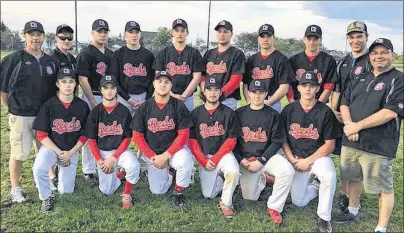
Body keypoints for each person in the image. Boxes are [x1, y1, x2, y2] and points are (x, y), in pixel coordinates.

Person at [333, 38, 403, 233]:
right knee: (353, 178)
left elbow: (390, 112)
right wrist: (348, 125)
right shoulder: (360, 76)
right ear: (369, 56)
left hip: (378, 144)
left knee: (383, 188)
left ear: (392, 54)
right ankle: (353, 209)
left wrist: (357, 126)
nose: (378, 56)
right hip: (352, 140)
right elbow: (344, 102)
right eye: (374, 53)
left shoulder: (398, 79)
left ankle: (381, 228)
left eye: (383, 52)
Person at [0, 21, 59, 203]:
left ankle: (48, 179)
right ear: (24, 36)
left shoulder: (51, 61)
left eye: (39, 34)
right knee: (19, 152)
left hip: (44, 115)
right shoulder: (13, 59)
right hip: (21, 114)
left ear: (43, 36)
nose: (35, 38)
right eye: (31, 34)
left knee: (45, 150)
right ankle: (15, 188)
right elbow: (3, 90)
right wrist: (12, 109)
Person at [281, 71, 340, 232]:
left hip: (318, 157)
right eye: (304, 85)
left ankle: (324, 218)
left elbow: (330, 145)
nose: (308, 89)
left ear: (317, 89)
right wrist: (292, 160)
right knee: (298, 201)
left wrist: (308, 161)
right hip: (295, 158)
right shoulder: (288, 110)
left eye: (312, 86)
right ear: (298, 88)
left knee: (329, 176)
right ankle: (315, 186)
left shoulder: (325, 111)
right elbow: (283, 139)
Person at [235, 79, 294, 225]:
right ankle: (262, 179)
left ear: (266, 94)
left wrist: (261, 161)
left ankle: (274, 207)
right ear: (248, 93)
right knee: (250, 197)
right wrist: (242, 160)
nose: (257, 96)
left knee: (287, 171)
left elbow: (276, 142)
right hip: (246, 160)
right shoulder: (238, 113)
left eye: (261, 92)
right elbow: (233, 142)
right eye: (254, 92)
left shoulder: (273, 115)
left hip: (266, 158)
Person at [131, 71, 194, 207]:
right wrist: (153, 157)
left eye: (166, 82)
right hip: (153, 153)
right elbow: (137, 136)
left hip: (174, 151)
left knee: (185, 162)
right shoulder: (145, 107)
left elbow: (184, 134)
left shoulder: (178, 106)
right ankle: (171, 173)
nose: (163, 85)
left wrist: (166, 155)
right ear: (153, 84)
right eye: (159, 81)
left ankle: (179, 192)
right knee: (157, 191)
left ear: (171, 85)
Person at [32, 68, 89, 212]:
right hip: (52, 148)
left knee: (66, 191)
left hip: (72, 150)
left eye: (71, 82)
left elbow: (86, 134)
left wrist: (70, 153)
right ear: (57, 84)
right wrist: (60, 153)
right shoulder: (49, 105)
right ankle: (46, 197)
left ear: (76, 84)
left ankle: (59, 169)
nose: (68, 85)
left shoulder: (82, 106)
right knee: (38, 169)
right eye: (64, 82)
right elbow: (41, 135)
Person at [330, 21, 371, 213]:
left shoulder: (372, 60)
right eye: (352, 37)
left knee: (358, 159)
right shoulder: (344, 61)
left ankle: (355, 199)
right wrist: (333, 110)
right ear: (348, 39)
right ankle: (345, 194)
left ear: (366, 37)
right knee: (344, 157)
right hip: (341, 117)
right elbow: (337, 89)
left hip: (360, 118)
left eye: (359, 36)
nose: (355, 40)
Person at [188, 76, 241, 218]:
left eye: (216, 89)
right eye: (209, 89)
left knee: (233, 171)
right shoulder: (195, 114)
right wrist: (203, 161)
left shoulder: (229, 113)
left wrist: (216, 159)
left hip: (223, 154)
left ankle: (226, 202)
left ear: (220, 92)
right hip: (204, 156)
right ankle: (222, 180)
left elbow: (231, 140)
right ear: (203, 92)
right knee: (208, 194)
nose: (212, 93)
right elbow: (192, 141)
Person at [85, 75, 140, 208]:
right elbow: (91, 140)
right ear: (101, 90)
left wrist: (114, 158)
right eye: (106, 87)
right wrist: (99, 160)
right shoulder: (95, 112)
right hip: (102, 153)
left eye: (112, 87)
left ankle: (126, 194)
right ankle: (120, 175)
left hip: (120, 151)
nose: (109, 91)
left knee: (134, 165)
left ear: (116, 90)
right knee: (107, 191)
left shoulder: (124, 111)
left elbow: (127, 138)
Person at [76, 19, 116, 185]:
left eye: (105, 31)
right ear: (92, 33)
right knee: (90, 132)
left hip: (109, 96)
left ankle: (104, 164)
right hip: (92, 95)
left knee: (106, 131)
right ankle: (88, 169)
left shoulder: (110, 54)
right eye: (99, 31)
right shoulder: (86, 53)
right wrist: (92, 102)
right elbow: (82, 79)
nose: (102, 34)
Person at [48, 24, 78, 190]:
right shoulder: (51, 58)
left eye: (69, 38)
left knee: (67, 132)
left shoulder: (72, 59)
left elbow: (76, 82)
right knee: (54, 134)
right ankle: (51, 173)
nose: (66, 40)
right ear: (56, 38)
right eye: (62, 37)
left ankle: (61, 165)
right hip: (55, 102)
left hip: (70, 102)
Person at [153, 18, 204, 112]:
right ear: (172, 32)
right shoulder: (163, 53)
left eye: (182, 30)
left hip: (187, 99)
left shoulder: (194, 53)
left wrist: (184, 96)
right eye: (176, 30)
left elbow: (197, 77)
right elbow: (158, 78)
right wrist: (171, 94)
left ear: (187, 33)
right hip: (167, 97)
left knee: (187, 125)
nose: (179, 33)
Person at [243, 24, 295, 113]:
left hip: (273, 102)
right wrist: (249, 102)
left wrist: (269, 103)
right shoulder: (251, 59)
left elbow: (284, 87)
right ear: (258, 38)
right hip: (253, 100)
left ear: (273, 38)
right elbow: (245, 84)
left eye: (268, 36)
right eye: (262, 36)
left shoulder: (281, 59)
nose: (265, 39)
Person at [200, 20, 246, 110]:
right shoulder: (208, 54)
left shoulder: (237, 54)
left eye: (225, 32)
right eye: (219, 32)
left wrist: (220, 94)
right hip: (208, 99)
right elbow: (202, 76)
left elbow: (236, 79)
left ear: (231, 34)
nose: (222, 34)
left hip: (228, 100)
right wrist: (205, 92)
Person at [287, 25, 338, 104]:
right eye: (309, 38)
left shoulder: (329, 60)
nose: (311, 42)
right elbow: (289, 85)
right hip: (297, 103)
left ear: (320, 40)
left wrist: (318, 106)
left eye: (315, 39)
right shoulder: (293, 60)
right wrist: (292, 103)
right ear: (304, 39)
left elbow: (329, 86)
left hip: (321, 104)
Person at [113, 21, 155, 115]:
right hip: (123, 98)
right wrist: (128, 99)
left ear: (140, 34)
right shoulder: (118, 54)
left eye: (136, 32)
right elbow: (114, 80)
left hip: (143, 97)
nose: (134, 35)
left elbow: (153, 80)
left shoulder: (148, 55)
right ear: (125, 34)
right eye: (131, 32)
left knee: (141, 128)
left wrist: (147, 99)